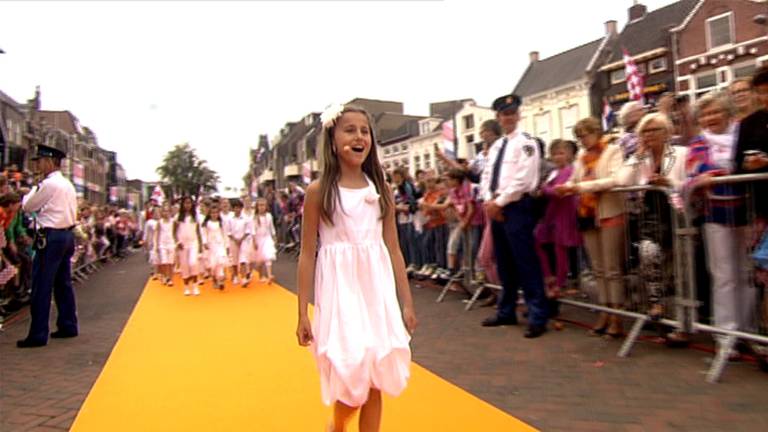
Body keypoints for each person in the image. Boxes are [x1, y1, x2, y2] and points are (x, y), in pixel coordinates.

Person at [295, 104, 416, 432]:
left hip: (376, 292)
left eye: (364, 131)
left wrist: (406, 302)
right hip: (341, 291)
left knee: (376, 374)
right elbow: (307, 253)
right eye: (349, 130)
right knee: (353, 371)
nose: (359, 136)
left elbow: (394, 249)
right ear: (332, 140)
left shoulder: (382, 189)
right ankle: (336, 425)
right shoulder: (319, 191)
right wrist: (302, 313)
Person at [479, 93, 548, 338]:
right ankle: (506, 310)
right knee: (504, 262)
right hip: (496, 206)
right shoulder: (496, 146)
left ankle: (538, 315)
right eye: (504, 114)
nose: (508, 118)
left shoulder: (526, 143)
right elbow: (487, 176)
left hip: (516, 207)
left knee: (525, 262)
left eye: (512, 113)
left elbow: (525, 178)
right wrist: (489, 200)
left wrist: (499, 202)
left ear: (518, 115)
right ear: (498, 118)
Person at [555, 117, 626, 339]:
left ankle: (617, 316)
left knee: (612, 268)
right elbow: (574, 180)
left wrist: (580, 187)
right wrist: (565, 188)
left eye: (585, 135)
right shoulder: (581, 159)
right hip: (587, 214)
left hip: (609, 211)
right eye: (579, 137)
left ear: (596, 132)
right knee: (598, 269)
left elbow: (615, 180)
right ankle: (605, 311)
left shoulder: (613, 151)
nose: (582, 140)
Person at [17, 144, 78, 348]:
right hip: (66, 234)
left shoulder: (48, 184)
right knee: (63, 283)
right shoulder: (67, 184)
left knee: (42, 285)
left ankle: (38, 333)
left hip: (50, 236)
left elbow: (28, 206)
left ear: (50, 161)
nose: (39, 165)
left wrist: (33, 189)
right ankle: (68, 324)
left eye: (41, 161)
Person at [174, 196, 202, 296]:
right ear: (182, 204)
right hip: (182, 244)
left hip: (193, 242)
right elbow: (174, 232)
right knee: (184, 265)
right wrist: (178, 242)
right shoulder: (178, 217)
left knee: (193, 263)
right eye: (186, 203)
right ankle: (186, 287)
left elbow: (198, 232)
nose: (188, 205)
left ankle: (195, 285)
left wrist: (201, 245)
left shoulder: (196, 216)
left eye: (189, 203)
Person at [201, 203, 229, 290]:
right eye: (212, 213)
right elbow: (204, 234)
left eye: (216, 213)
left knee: (220, 261)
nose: (214, 215)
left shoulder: (221, 223)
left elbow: (224, 234)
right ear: (210, 214)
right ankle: (214, 279)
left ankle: (221, 280)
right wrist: (205, 242)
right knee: (213, 264)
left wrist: (227, 245)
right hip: (211, 245)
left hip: (220, 244)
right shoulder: (207, 223)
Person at [251, 197, 276, 283]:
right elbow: (253, 230)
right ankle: (261, 275)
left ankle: (269, 275)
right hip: (259, 239)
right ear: (257, 207)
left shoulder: (269, 216)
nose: (262, 207)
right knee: (260, 259)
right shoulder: (255, 217)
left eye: (263, 205)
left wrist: (274, 237)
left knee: (268, 255)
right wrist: (254, 241)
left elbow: (271, 228)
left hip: (267, 238)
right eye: (260, 205)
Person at [156, 206, 176, 286]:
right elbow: (157, 233)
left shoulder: (173, 221)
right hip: (162, 243)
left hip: (171, 243)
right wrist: (157, 244)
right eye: (164, 211)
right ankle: (165, 276)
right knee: (164, 261)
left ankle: (170, 278)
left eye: (168, 211)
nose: (166, 213)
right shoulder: (160, 222)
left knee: (170, 262)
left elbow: (175, 232)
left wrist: (176, 242)